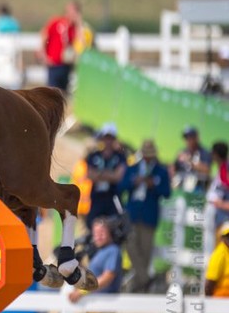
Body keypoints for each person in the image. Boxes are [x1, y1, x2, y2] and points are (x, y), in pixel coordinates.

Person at [120, 139, 171, 293]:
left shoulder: (161, 171)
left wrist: (153, 185)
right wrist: (133, 182)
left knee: (145, 251)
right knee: (130, 245)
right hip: (133, 214)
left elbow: (166, 192)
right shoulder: (133, 168)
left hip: (149, 216)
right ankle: (146, 280)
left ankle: (139, 286)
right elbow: (121, 186)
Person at [85, 122, 127, 232]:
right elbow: (89, 175)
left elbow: (118, 176)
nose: (108, 141)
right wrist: (109, 174)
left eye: (110, 138)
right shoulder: (94, 155)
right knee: (93, 230)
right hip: (96, 199)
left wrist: (100, 174)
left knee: (112, 231)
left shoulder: (120, 157)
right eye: (106, 137)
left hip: (113, 199)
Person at [39, 0, 83, 93]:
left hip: (66, 64)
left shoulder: (74, 28)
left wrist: (79, 23)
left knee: (63, 93)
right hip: (54, 63)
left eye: (74, 11)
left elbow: (81, 42)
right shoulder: (57, 21)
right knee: (52, 93)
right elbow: (44, 35)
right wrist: (43, 54)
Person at [171, 126, 211, 195]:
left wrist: (189, 160)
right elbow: (173, 167)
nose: (188, 140)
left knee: (189, 182)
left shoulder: (204, 153)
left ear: (196, 138)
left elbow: (207, 169)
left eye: (190, 137)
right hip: (180, 182)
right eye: (186, 138)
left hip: (196, 184)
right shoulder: (182, 151)